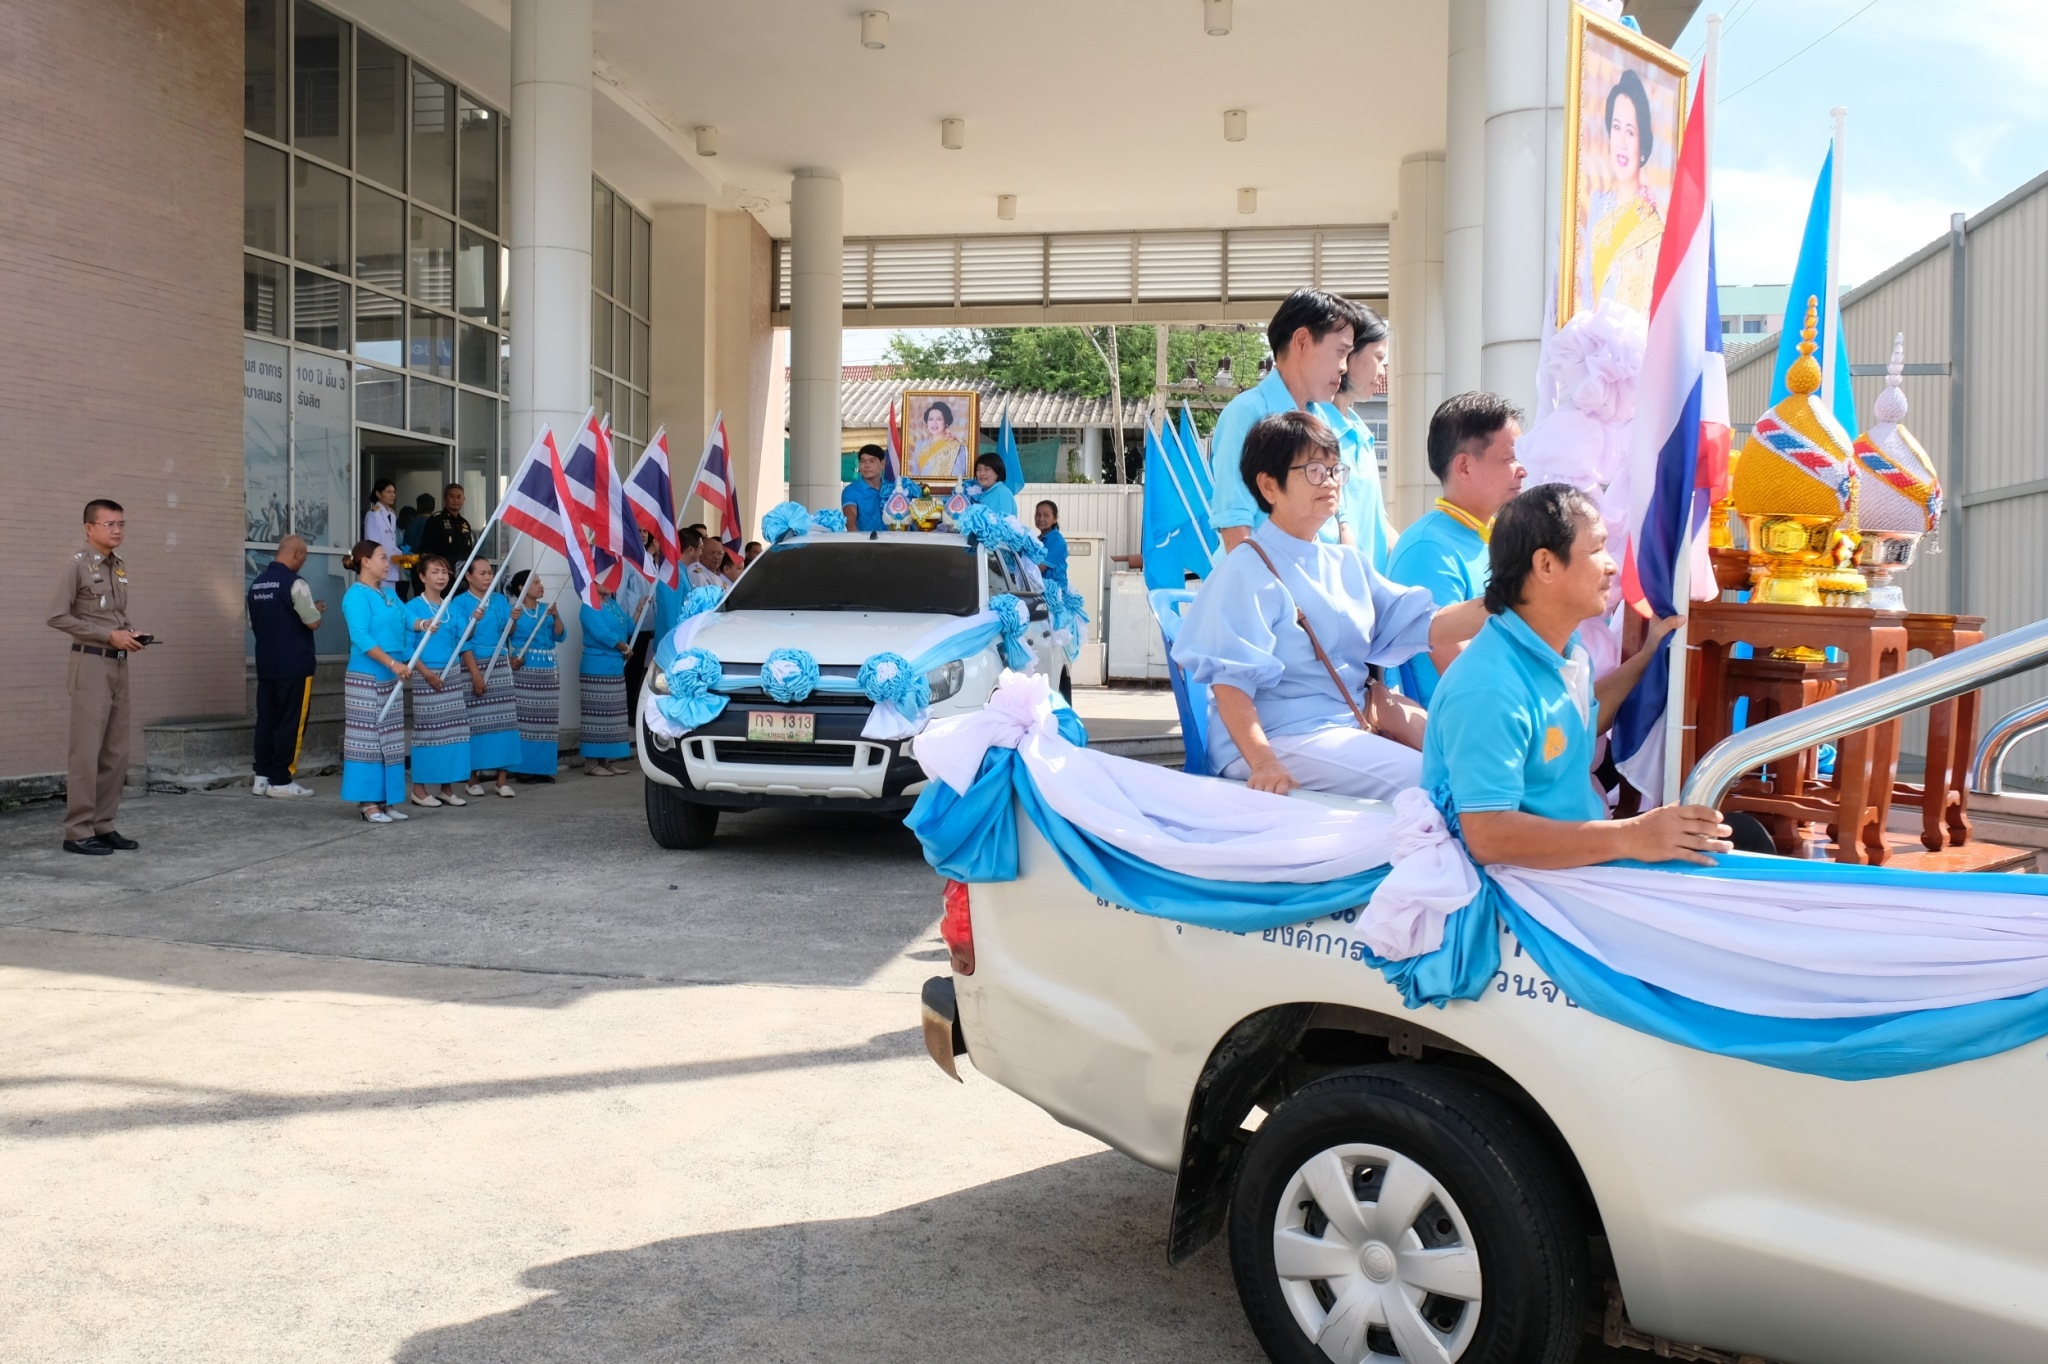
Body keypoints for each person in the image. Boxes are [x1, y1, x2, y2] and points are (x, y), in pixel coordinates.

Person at [1173, 411, 1488, 799]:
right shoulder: (1246, 568)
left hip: (1346, 726)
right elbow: (1230, 685)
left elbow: (1425, 623)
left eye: (1335, 469)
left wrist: (1506, 600)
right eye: (1313, 470)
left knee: (1475, 760)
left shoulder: (1346, 562)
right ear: (1269, 486)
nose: (1330, 481)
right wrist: (1264, 762)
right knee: (1431, 781)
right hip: (1277, 737)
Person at [1421, 482, 1731, 867]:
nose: (1611, 565)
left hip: (1573, 866)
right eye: (1597, 548)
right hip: (1517, 885)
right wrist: (1632, 835)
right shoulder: (1487, 688)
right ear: (1546, 565)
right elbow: (1488, 836)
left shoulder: (1565, 650)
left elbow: (1577, 721)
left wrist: (1648, 656)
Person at [1386, 392, 1529, 705]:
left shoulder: (1496, 537)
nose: (1522, 470)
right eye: (1510, 458)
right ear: (1464, 467)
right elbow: (1461, 673)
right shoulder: (1427, 549)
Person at [1209, 289, 1358, 552]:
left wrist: (1348, 572)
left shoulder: (1322, 419)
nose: (1344, 367)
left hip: (1319, 573)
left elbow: (1340, 520)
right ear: (1301, 341)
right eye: (1340, 352)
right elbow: (1235, 528)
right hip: (1266, 576)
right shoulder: (1245, 414)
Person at [47, 498, 147, 854]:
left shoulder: (117, 566)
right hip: (90, 663)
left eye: (121, 524)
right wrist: (107, 635)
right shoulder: (75, 565)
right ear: (89, 528)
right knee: (86, 751)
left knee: (116, 750)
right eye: (110, 524)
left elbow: (113, 615)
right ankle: (77, 831)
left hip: (118, 663)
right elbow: (57, 616)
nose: (117, 530)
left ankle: (103, 824)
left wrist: (128, 633)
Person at [1312, 303, 1400, 572]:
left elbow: (1377, 522)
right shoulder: (1314, 430)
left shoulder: (1362, 434)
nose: (1382, 370)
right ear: (1348, 354)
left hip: (1367, 586)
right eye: (1378, 358)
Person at [338, 539, 411, 824]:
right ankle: (367, 802)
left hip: (391, 674)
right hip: (368, 674)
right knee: (367, 739)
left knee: (390, 739)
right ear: (365, 561)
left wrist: (424, 624)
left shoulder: (388, 593)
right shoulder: (355, 595)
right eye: (382, 557)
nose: (387, 562)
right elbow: (360, 636)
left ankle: (386, 799)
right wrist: (392, 663)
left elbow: (408, 619)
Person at [247, 534, 323, 799]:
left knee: (267, 719)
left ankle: (262, 778)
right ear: (298, 555)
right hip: (295, 665)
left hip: (267, 663)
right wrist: (317, 610)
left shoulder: (256, 584)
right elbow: (312, 622)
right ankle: (281, 779)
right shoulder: (295, 583)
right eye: (304, 557)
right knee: (291, 722)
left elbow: (254, 622)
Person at [1582, 70, 1663, 315]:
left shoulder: (1651, 224)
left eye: (1630, 131)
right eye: (1616, 128)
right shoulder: (1596, 205)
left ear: (1642, 144)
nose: (1622, 143)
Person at [401, 554, 472, 809]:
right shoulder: (412, 608)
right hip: (426, 674)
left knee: (453, 733)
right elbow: (407, 648)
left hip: (452, 674)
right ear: (422, 577)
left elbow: (464, 637)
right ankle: (419, 789)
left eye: (444, 572)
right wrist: (426, 673)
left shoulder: (452, 607)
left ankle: (446, 788)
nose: (441, 577)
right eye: (435, 572)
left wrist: (475, 619)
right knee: (428, 732)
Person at [449, 557, 518, 798]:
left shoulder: (499, 600)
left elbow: (508, 632)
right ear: (468, 576)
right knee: (475, 723)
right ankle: (472, 778)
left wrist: (514, 619)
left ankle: (501, 780)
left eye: (490, 572)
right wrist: (476, 674)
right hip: (472, 663)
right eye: (482, 573)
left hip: (499, 662)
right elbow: (462, 640)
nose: (488, 577)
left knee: (504, 721)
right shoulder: (459, 603)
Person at [506, 570, 565, 783]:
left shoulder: (546, 608)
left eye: (540, 582)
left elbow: (559, 635)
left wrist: (556, 616)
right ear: (521, 588)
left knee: (546, 721)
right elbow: (507, 635)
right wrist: (513, 620)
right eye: (535, 582)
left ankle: (542, 768)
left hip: (548, 669)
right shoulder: (514, 610)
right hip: (525, 669)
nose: (541, 586)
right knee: (525, 720)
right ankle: (523, 769)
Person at [578, 584, 635, 775]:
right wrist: (624, 648)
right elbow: (602, 634)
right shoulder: (589, 605)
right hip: (597, 664)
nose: (611, 583)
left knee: (612, 716)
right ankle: (591, 762)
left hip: (614, 665)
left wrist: (640, 609)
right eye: (605, 580)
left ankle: (605, 761)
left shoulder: (611, 604)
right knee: (597, 716)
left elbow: (628, 626)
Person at [908, 400, 968, 480]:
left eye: (939, 419)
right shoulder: (920, 445)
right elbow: (915, 474)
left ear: (946, 422)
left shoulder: (956, 447)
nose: (934, 423)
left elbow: (959, 475)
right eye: (931, 419)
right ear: (927, 423)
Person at [418, 483, 475, 566]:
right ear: (444, 498)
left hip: (463, 571)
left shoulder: (464, 523)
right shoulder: (436, 520)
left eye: (459, 497)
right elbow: (426, 550)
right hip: (442, 570)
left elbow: (469, 552)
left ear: (463, 499)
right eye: (452, 496)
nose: (456, 500)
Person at [364, 479, 402, 594]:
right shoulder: (373, 514)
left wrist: (401, 555)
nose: (392, 495)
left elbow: (391, 542)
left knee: (390, 598)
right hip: (378, 566)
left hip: (391, 567)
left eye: (394, 492)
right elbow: (372, 544)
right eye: (388, 492)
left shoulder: (392, 515)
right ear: (378, 494)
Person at [842, 444, 889, 532]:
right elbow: (850, 517)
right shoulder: (851, 490)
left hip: (894, 539)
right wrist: (856, 537)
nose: (866, 465)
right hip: (863, 539)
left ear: (882, 464)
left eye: (872, 461)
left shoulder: (893, 489)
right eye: (863, 461)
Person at [968, 453, 1018, 520]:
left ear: (997, 473)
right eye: (979, 469)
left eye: (987, 469)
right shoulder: (988, 493)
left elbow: (1002, 523)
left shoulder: (1001, 493)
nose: (982, 473)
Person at [1035, 501, 1069, 588]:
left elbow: (1039, 567)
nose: (1041, 519)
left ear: (1055, 519)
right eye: (1038, 514)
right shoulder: (1039, 539)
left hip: (1054, 590)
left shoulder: (1057, 540)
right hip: (1040, 587)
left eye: (1046, 515)